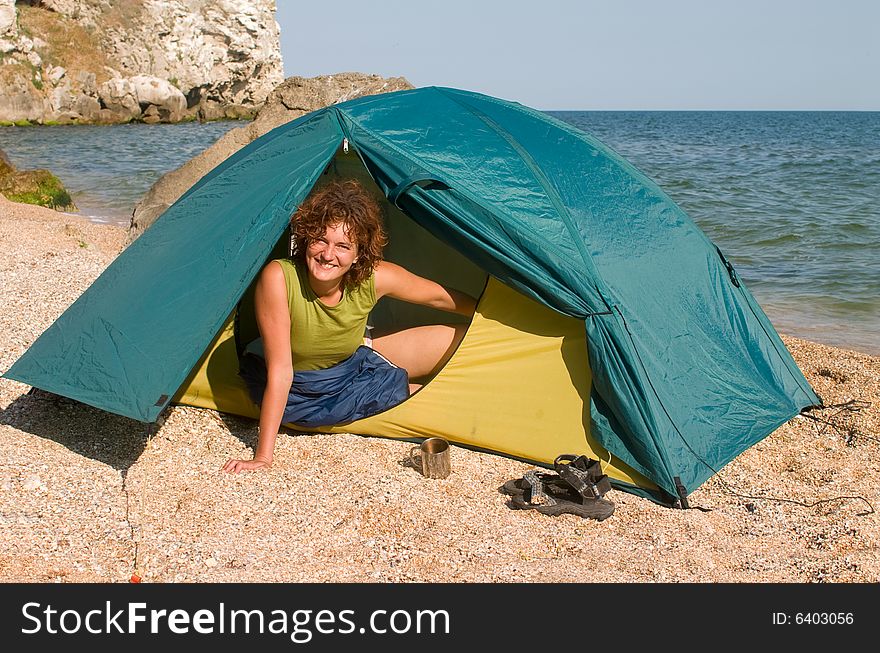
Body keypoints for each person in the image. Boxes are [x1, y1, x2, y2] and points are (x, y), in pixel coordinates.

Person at [222, 179, 476, 473]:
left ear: (358, 255)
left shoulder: (374, 276)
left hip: (350, 362)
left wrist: (489, 315)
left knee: (460, 339)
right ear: (306, 239)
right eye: (320, 240)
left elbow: (436, 298)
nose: (328, 254)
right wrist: (263, 457)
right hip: (303, 387)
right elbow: (281, 371)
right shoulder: (280, 278)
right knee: (427, 401)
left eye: (343, 246)